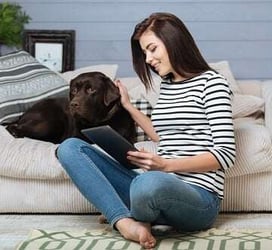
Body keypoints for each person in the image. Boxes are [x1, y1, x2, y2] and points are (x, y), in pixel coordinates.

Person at [56, 12, 236, 249]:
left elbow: (226, 154)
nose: (148, 59)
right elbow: (163, 136)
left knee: (146, 183)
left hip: (198, 198)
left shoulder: (213, 83)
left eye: (152, 49)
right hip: (155, 187)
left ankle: (127, 213)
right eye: (144, 52)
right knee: (69, 148)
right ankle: (126, 221)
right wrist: (128, 106)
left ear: (174, 40)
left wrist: (165, 165)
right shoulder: (168, 86)